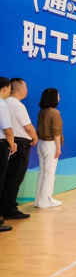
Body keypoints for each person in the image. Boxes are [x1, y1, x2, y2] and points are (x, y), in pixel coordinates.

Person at [2, 78, 38, 220]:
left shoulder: (4, 103)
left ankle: (4, 207)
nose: (27, 90)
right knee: (15, 177)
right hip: (20, 144)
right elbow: (28, 127)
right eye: (26, 87)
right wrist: (35, 137)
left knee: (7, 177)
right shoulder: (17, 105)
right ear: (20, 89)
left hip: (10, 142)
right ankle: (10, 210)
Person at [35, 88, 63, 209]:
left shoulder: (42, 112)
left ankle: (38, 200)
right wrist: (58, 147)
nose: (59, 97)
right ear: (54, 98)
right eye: (58, 95)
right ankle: (46, 200)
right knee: (49, 174)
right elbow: (56, 132)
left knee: (42, 173)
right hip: (50, 144)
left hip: (41, 143)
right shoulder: (54, 113)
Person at [0, 78, 15, 232]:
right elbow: (8, 130)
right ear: (4, 88)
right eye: (10, 88)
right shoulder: (2, 105)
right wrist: (12, 144)